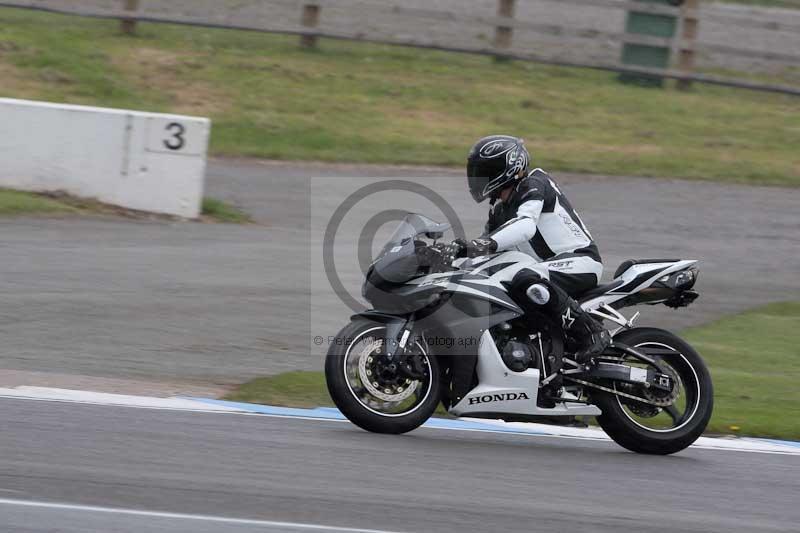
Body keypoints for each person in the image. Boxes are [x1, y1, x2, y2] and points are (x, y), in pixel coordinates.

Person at [451, 135, 610, 362]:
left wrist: (480, 245)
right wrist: (453, 256)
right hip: (546, 269)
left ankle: (592, 331)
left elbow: (525, 226)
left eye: (485, 170)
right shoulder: (500, 210)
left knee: (525, 277)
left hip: (580, 261)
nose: (476, 178)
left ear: (508, 167)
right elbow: (488, 249)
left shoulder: (534, 183)